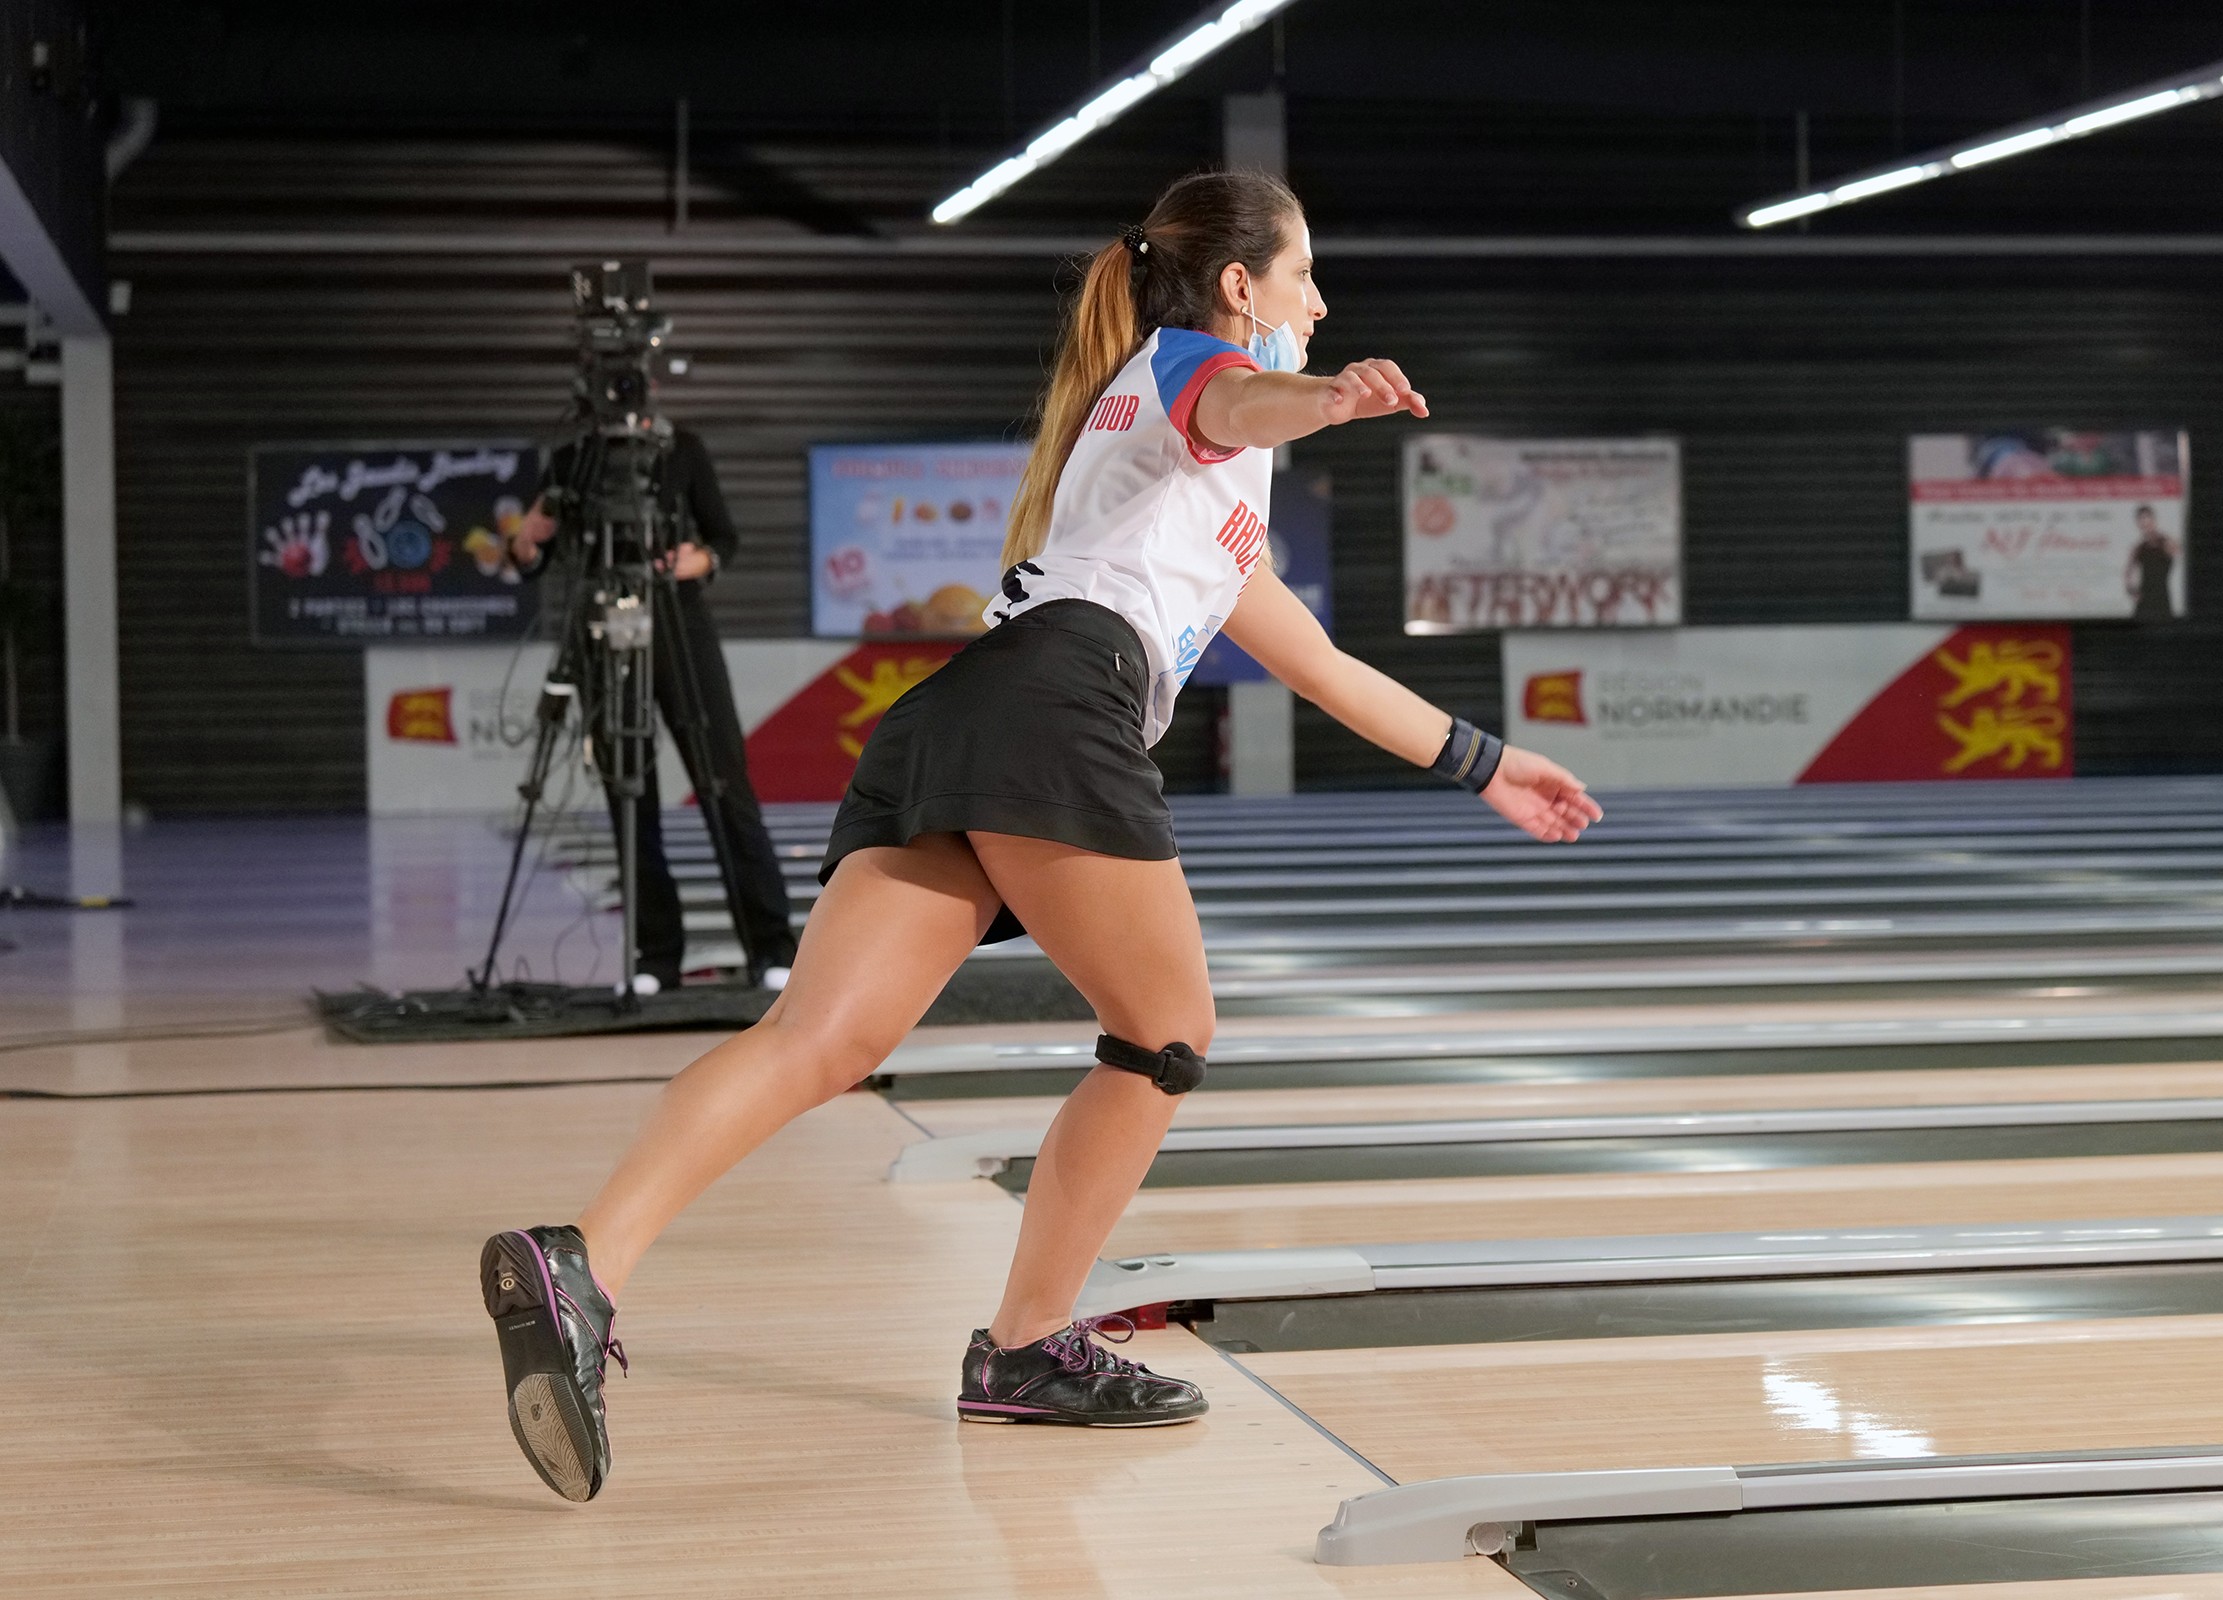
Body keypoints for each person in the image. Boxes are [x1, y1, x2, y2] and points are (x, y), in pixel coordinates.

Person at [477, 169, 1603, 1503]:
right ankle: (1025, 1348)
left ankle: (583, 1265)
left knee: (821, 1044)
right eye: (1305, 273)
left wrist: (1489, 765)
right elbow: (1235, 396)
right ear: (1241, 287)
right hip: (1057, 709)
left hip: (966, 715)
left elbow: (1327, 672)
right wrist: (1328, 396)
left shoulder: (1205, 507)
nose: (1320, 297)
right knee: (1168, 1031)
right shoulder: (1187, 375)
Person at [509, 426, 800, 993]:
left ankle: (771, 948)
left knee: (725, 787)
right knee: (628, 796)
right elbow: (530, 556)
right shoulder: (573, 458)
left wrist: (701, 561)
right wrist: (524, 538)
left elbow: (724, 539)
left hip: (679, 626)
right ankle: (656, 956)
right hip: (603, 633)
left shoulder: (682, 449)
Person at [2124, 504, 2180, 623]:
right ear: (2138, 523)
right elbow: (2127, 572)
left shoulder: (2167, 542)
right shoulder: (2138, 548)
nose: (2145, 522)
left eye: (2147, 518)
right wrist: (2132, 591)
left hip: (2162, 599)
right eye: (2141, 520)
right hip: (2144, 601)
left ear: (2154, 519)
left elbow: (2179, 552)